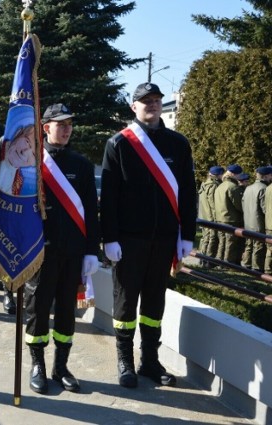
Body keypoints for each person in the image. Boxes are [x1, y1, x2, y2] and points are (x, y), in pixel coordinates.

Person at [100, 82, 196, 389]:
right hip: (129, 240)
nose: (152, 105)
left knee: (155, 305)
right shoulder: (119, 143)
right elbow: (111, 196)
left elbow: (188, 194)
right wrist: (109, 237)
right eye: (145, 101)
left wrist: (187, 235)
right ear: (134, 107)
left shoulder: (178, 144)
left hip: (164, 239)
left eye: (156, 100)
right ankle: (125, 361)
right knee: (126, 304)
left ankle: (150, 362)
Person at [25, 103, 99, 394]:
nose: (67, 129)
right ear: (46, 128)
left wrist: (92, 250)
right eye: (61, 124)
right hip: (40, 253)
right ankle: (38, 366)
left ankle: (60, 367)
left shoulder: (81, 165)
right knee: (37, 310)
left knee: (67, 312)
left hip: (72, 253)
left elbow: (91, 212)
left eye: (70, 124)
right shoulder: (32, 162)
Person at [242, 166, 272, 271]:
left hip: (248, 222)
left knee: (249, 246)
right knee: (258, 247)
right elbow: (265, 209)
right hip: (258, 222)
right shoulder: (263, 188)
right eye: (270, 175)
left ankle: (246, 264)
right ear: (266, 176)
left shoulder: (248, 188)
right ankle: (257, 268)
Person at [214, 164, 245, 264]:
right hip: (231, 219)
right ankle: (228, 263)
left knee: (222, 242)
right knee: (230, 243)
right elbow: (239, 205)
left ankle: (220, 261)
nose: (240, 177)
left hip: (220, 218)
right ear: (233, 174)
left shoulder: (220, 186)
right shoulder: (233, 187)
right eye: (239, 174)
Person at [197, 166, 224, 267]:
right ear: (217, 175)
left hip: (203, 216)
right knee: (211, 238)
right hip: (210, 217)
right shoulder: (213, 185)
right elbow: (213, 204)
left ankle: (202, 259)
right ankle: (208, 261)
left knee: (205, 238)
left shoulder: (204, 184)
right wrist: (216, 218)